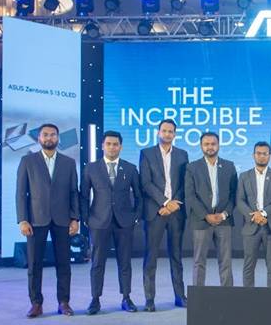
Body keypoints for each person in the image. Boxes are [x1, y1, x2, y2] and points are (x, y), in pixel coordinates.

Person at [16, 123, 80, 318]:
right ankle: (36, 303)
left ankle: (64, 302)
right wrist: (22, 220)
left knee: (64, 263)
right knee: (34, 264)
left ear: (58, 138)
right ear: (39, 138)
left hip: (62, 219)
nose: (49, 138)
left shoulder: (69, 163)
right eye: (45, 135)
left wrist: (75, 218)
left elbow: (74, 193)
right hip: (36, 219)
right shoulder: (28, 161)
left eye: (53, 135)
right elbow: (21, 193)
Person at [80, 131, 143, 315]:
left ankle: (126, 298)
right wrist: (86, 219)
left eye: (115, 144)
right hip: (99, 221)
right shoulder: (91, 168)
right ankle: (95, 300)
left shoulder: (130, 168)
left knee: (125, 262)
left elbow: (139, 196)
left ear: (120, 147)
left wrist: (135, 217)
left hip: (124, 222)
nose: (112, 147)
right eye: (108, 144)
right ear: (102, 146)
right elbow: (83, 195)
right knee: (97, 263)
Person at [139, 119, 189, 312]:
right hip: (156, 212)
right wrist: (165, 202)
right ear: (158, 132)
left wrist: (173, 204)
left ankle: (180, 296)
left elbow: (185, 183)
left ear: (174, 134)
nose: (167, 134)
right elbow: (146, 183)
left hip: (176, 212)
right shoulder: (146, 153)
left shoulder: (182, 155)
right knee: (151, 256)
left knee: (176, 256)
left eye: (171, 131)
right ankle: (149, 299)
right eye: (164, 131)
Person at [185, 132, 238, 289]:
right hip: (201, 221)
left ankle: (227, 294)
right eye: (206, 144)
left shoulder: (229, 166)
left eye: (213, 144)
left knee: (225, 261)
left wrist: (224, 214)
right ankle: (199, 295)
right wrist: (205, 215)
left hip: (224, 221)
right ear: (201, 146)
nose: (210, 147)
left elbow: (234, 194)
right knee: (199, 261)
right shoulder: (192, 167)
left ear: (218, 145)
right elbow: (190, 195)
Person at [236, 141, 271, 288]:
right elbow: (240, 200)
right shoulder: (244, 176)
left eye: (265, 154)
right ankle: (248, 295)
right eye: (258, 153)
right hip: (251, 225)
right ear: (253, 155)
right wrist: (254, 216)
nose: (261, 156)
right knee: (248, 264)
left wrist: (263, 213)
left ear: (270, 156)